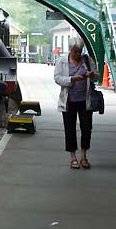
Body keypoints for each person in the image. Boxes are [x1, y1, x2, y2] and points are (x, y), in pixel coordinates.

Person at [54, 37, 99, 169]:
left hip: (85, 101)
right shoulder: (62, 61)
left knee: (86, 128)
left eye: (79, 51)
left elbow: (97, 75)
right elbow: (57, 78)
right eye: (75, 52)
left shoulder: (87, 60)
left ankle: (84, 156)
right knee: (70, 129)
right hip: (69, 101)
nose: (77, 54)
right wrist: (71, 79)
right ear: (70, 50)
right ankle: (73, 157)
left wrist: (92, 75)